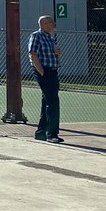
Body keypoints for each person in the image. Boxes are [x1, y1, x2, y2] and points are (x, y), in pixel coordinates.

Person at [28, 14, 63, 144]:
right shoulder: (36, 36)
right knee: (53, 102)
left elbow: (48, 53)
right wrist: (41, 71)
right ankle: (52, 134)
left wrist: (56, 53)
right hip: (44, 71)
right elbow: (33, 53)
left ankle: (41, 133)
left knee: (47, 101)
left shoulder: (50, 38)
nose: (54, 24)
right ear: (43, 25)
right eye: (50, 22)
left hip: (53, 71)